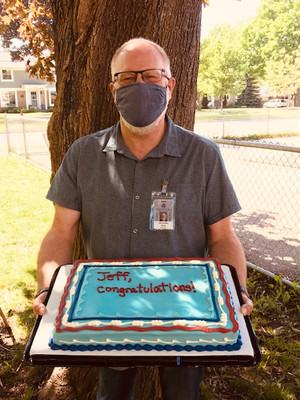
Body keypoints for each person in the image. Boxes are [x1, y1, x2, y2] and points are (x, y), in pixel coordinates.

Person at [33, 38, 253, 400]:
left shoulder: (204, 156)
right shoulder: (83, 155)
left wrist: (235, 289)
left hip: (188, 314)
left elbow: (223, 236)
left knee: (183, 394)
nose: (140, 85)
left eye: (152, 75)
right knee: (113, 394)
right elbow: (60, 231)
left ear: (170, 84)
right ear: (112, 89)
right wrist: (48, 286)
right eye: (127, 78)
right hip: (105, 311)